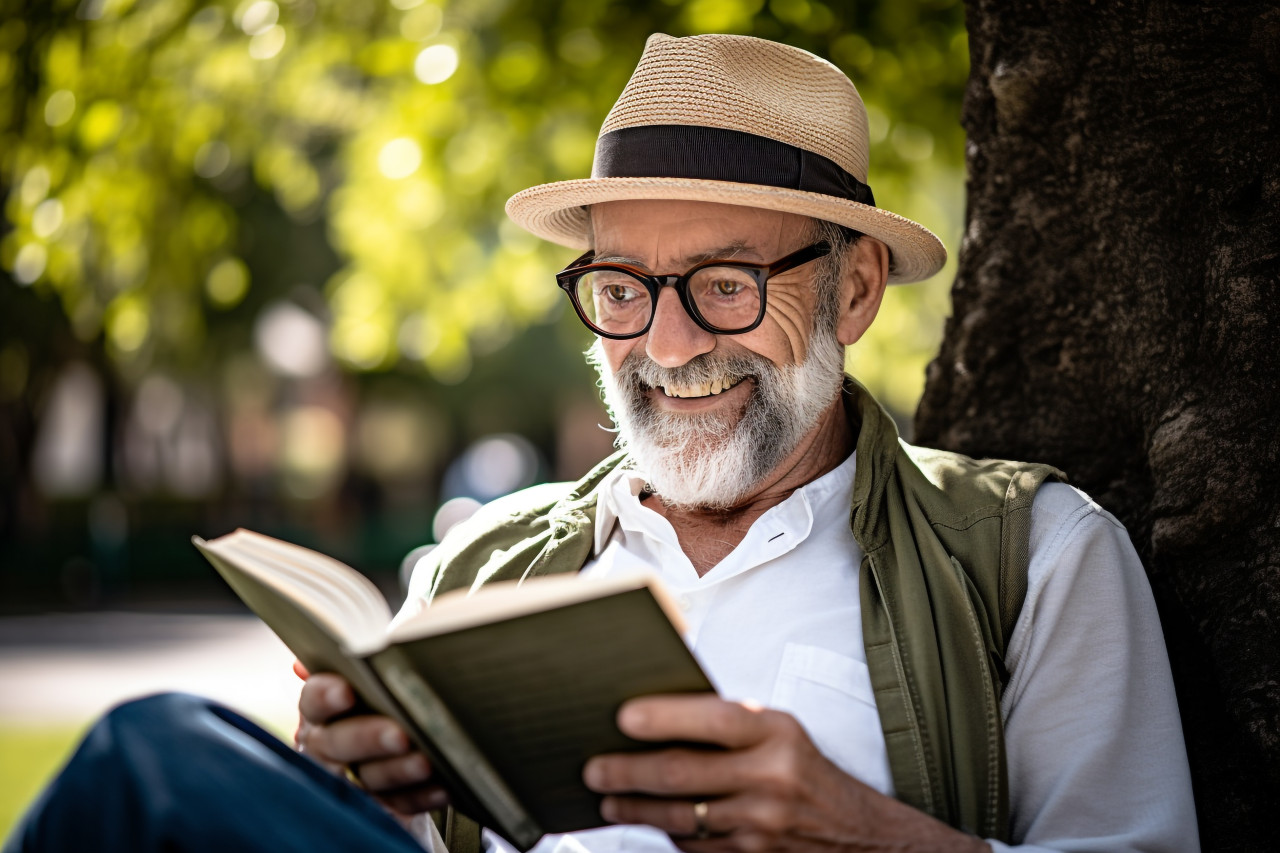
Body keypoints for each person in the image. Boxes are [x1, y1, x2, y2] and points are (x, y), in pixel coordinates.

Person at [6, 33, 1197, 853]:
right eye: (621, 287)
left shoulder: (1028, 553)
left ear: (854, 291)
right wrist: (354, 773)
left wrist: (861, 833)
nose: (667, 343)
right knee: (154, 761)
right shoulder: (477, 569)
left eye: (725, 284)